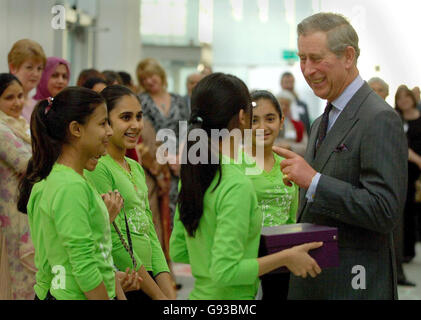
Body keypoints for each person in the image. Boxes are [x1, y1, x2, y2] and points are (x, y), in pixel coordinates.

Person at [273, 12, 407, 300]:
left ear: (348, 56)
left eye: (316, 58)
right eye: (302, 58)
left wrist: (315, 182)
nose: (307, 70)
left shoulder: (378, 118)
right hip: (317, 282)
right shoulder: (321, 121)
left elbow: (385, 211)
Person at [170, 72, 323, 300]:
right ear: (242, 117)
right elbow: (226, 271)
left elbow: (179, 250)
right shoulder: (236, 182)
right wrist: (285, 257)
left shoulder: (195, 173)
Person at [17, 87, 127, 300]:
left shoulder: (70, 179)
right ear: (76, 129)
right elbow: (84, 265)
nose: (110, 132)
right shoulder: (70, 186)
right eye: (103, 123)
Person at [85, 85, 175, 300]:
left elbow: (149, 231)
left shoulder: (134, 166)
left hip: (147, 277)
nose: (136, 125)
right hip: (126, 279)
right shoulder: (99, 167)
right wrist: (157, 295)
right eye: (126, 117)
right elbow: (116, 239)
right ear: (105, 123)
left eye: (139, 117)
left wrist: (168, 292)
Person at [242, 90, 298, 300]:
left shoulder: (288, 164)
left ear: (282, 121)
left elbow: (292, 216)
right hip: (243, 255)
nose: (262, 127)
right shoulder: (234, 163)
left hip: (282, 255)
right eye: (254, 120)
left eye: (270, 119)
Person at [136, 58, 189, 223]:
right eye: (144, 79)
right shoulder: (141, 100)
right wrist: (168, 157)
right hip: (156, 162)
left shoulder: (179, 100)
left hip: (182, 159)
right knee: (161, 213)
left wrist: (180, 156)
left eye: (152, 76)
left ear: (160, 75)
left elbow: (186, 128)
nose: (149, 81)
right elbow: (146, 134)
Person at [0, 74, 35, 299]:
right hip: (10, 213)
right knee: (17, 275)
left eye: (20, 96)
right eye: (9, 97)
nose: (17, 103)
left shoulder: (21, 124)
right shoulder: (1, 129)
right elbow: (26, 163)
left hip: (24, 206)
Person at [395, 85, 421, 265]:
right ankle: (402, 250)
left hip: (417, 172)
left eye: (407, 97)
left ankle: (411, 249)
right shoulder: (395, 118)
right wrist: (418, 159)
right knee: (403, 210)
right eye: (400, 98)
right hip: (402, 169)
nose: (404, 101)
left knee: (413, 210)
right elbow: (400, 145)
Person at [7, 39, 47, 123]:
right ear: (13, 67)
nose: (36, 74)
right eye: (29, 67)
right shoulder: (5, 104)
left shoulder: (37, 106)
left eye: (39, 68)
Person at [276, 90, 308, 156]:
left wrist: (290, 146)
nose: (284, 107)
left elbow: (306, 147)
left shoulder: (298, 125)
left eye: (287, 105)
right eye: (281, 104)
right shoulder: (268, 124)